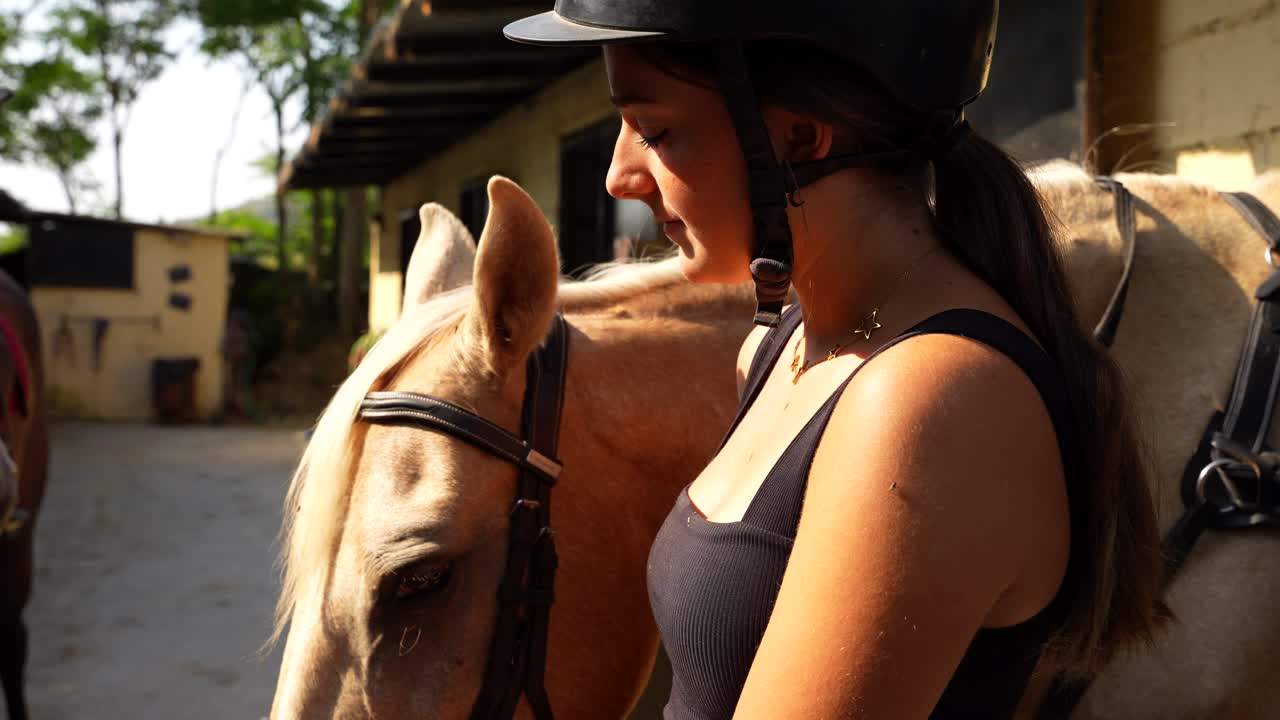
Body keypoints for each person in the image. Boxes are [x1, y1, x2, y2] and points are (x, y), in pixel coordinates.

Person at [507, 4, 1168, 718]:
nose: (618, 177)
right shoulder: (783, 344)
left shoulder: (928, 405)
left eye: (656, 131)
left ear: (798, 138)